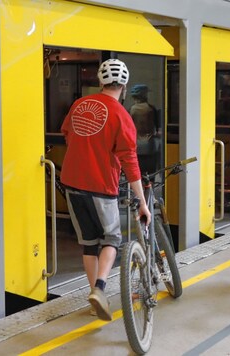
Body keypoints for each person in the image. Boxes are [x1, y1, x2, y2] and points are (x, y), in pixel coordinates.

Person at [60, 58, 151, 321]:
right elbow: (130, 162)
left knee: (89, 242)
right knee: (112, 239)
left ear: (100, 82)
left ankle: (93, 299)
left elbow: (67, 133)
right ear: (124, 85)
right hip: (101, 184)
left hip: (72, 183)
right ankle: (100, 288)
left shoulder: (79, 105)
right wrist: (142, 202)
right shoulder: (121, 115)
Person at [129, 84, 160, 174]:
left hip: (136, 147)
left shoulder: (131, 109)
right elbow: (157, 128)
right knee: (150, 176)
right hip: (150, 146)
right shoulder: (151, 109)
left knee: (137, 174)